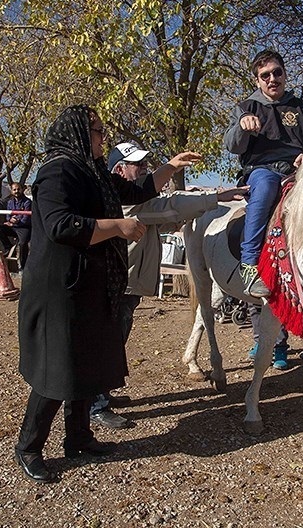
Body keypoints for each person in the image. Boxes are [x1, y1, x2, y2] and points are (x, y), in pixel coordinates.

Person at [14, 105, 169, 484]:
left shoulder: (94, 170)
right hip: (59, 289)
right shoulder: (58, 170)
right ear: (79, 134)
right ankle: (29, 446)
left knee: (86, 363)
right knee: (57, 369)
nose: (104, 137)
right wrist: (116, 226)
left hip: (89, 284)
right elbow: (59, 225)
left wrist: (172, 166)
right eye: (98, 130)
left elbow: (137, 190)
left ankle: (79, 437)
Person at [88, 142, 245, 429]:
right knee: (107, 342)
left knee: (113, 341)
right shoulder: (126, 201)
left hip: (126, 284)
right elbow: (169, 206)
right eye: (138, 165)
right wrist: (215, 197)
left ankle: (100, 395)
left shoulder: (130, 200)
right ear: (119, 170)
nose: (145, 169)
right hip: (116, 285)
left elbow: (161, 217)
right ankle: (94, 404)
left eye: (146, 163)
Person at [224, 49, 303, 298]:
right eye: (265, 75)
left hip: (298, 171)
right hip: (263, 171)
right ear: (257, 80)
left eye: (277, 72)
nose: (272, 79)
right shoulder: (246, 107)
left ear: (284, 74)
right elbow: (231, 145)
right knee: (264, 188)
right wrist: (242, 127)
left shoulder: (302, 108)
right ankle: (250, 264)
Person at [0, 183, 32, 270]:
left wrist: (16, 221)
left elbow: (25, 219)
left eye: (18, 189)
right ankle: (8, 247)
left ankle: (23, 266)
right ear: (11, 191)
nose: (16, 191)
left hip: (24, 227)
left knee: (23, 243)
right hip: (13, 227)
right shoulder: (10, 202)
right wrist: (11, 220)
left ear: (22, 189)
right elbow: (8, 216)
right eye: (14, 190)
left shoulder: (27, 202)